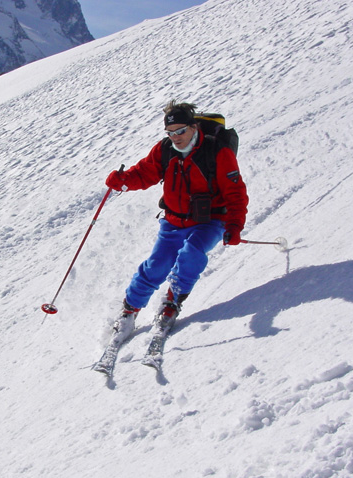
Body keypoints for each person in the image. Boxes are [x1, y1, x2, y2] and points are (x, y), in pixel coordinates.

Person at [104, 100, 249, 336]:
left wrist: (234, 225)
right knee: (157, 264)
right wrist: (124, 180)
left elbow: (235, 192)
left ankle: (172, 302)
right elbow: (145, 172)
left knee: (192, 253)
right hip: (173, 220)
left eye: (180, 131)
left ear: (194, 127)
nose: (175, 137)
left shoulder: (217, 152)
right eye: (170, 132)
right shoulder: (165, 149)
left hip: (210, 220)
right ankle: (129, 310)